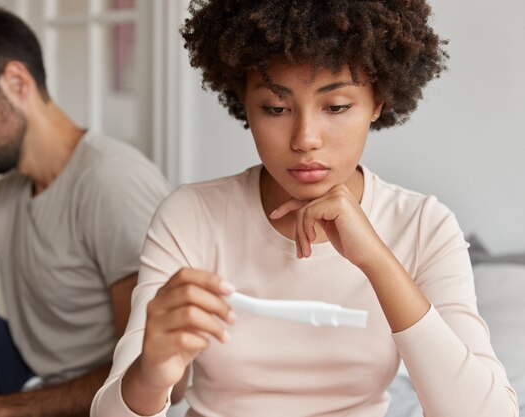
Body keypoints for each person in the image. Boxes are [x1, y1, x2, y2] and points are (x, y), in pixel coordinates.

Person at [90, 1, 519, 416]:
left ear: (379, 101)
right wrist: (150, 373)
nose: (305, 138)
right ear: (244, 102)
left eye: (335, 107)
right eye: (276, 108)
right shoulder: (191, 216)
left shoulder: (424, 226)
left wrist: (376, 261)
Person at [0, 5, 170, 417]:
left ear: (16, 81)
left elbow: (145, 370)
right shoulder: (7, 196)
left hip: (91, 404)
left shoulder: (112, 180)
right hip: (29, 374)